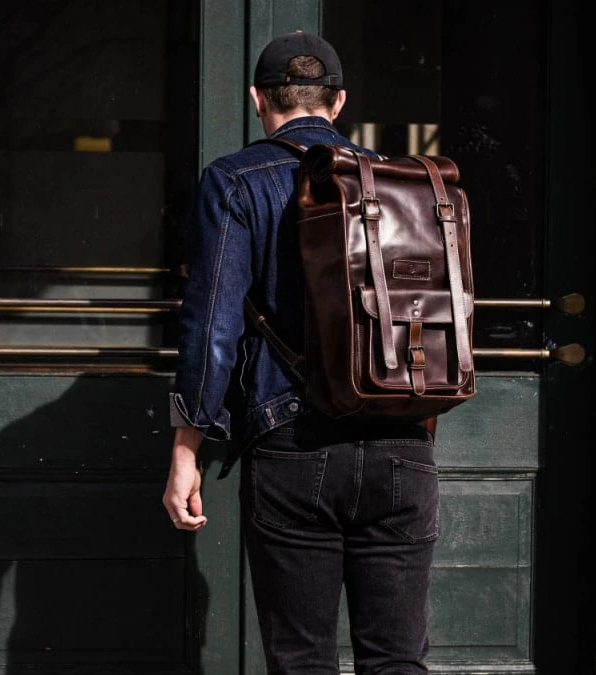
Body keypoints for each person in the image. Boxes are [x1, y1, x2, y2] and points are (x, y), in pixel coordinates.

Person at [162, 32, 440, 674]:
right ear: (337, 103)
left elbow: (212, 327)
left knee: (303, 661)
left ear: (259, 99)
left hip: (292, 445)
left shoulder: (233, 182)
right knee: (397, 661)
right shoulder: (399, 180)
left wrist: (186, 450)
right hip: (402, 442)